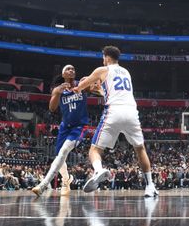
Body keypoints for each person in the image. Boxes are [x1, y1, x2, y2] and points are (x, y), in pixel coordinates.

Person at [75, 46, 158, 198]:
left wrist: (79, 87)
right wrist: (99, 90)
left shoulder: (102, 70)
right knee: (140, 149)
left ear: (106, 57)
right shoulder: (126, 72)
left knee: (95, 150)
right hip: (132, 112)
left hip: (114, 111)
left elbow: (81, 86)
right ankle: (150, 186)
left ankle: (99, 170)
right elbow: (112, 91)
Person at [32, 64, 98, 198]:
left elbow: (94, 89)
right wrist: (57, 92)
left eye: (73, 69)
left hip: (80, 126)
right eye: (68, 69)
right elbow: (52, 108)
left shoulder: (81, 84)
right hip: (64, 126)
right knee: (59, 157)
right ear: (63, 74)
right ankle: (66, 180)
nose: (71, 70)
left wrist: (92, 81)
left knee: (64, 151)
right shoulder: (58, 89)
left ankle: (43, 185)